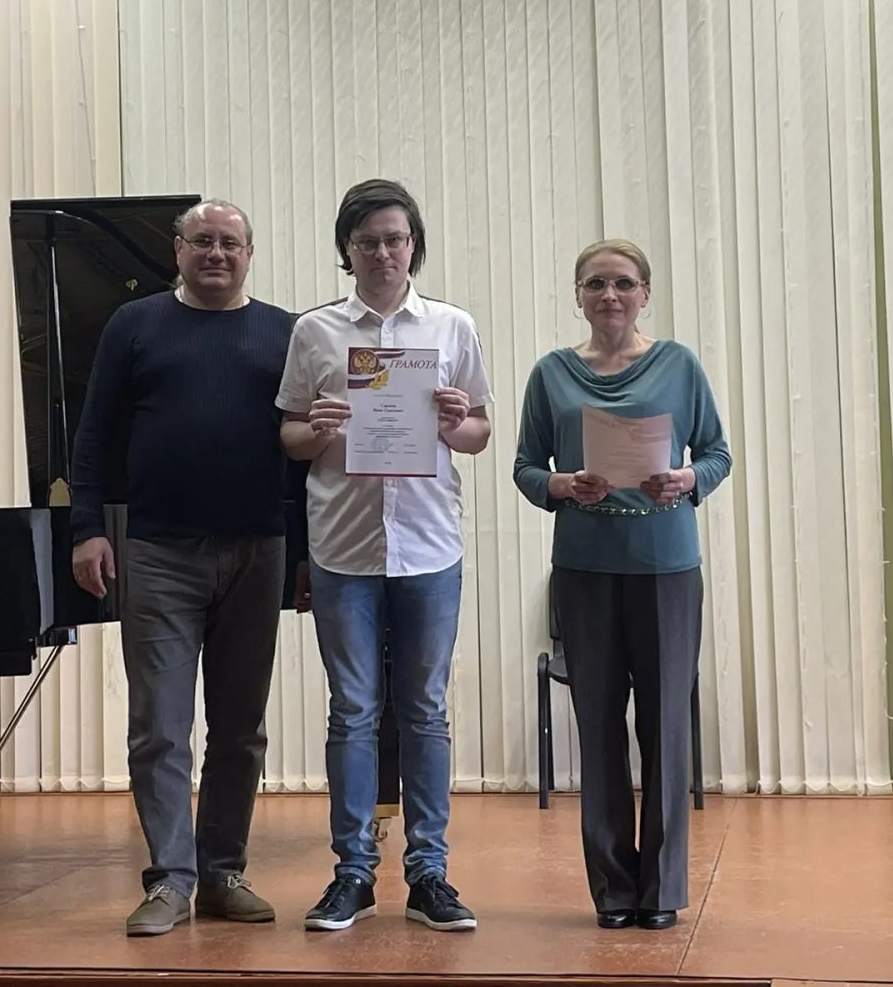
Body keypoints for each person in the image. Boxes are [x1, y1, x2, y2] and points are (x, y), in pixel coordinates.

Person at [69, 199, 296, 938]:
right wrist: (86, 530)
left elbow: (303, 453)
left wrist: (305, 554)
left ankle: (223, 871)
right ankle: (171, 878)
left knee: (240, 727)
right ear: (177, 249)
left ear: (250, 253)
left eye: (231, 242)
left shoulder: (285, 331)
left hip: (259, 550)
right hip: (158, 551)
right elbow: (94, 434)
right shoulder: (134, 326)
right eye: (203, 240)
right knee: (159, 726)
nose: (217, 253)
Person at [276, 178, 493, 933]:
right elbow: (289, 437)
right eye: (367, 241)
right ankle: (353, 874)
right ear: (348, 249)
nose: (382, 252)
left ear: (413, 245)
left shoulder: (452, 326)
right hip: (343, 547)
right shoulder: (315, 332)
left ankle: (429, 873)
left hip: (429, 545)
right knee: (353, 711)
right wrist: (318, 429)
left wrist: (457, 422)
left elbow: (479, 433)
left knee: (425, 709)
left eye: (395, 239)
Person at [512, 238, 731, 932]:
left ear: (645, 294)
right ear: (578, 295)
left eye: (624, 283)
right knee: (599, 727)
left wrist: (689, 479)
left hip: (667, 568)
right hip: (584, 569)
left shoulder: (680, 365)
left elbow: (717, 453)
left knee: (665, 724)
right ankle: (612, 889)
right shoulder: (551, 374)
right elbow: (525, 466)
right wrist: (561, 484)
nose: (610, 295)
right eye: (596, 284)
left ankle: (661, 889)